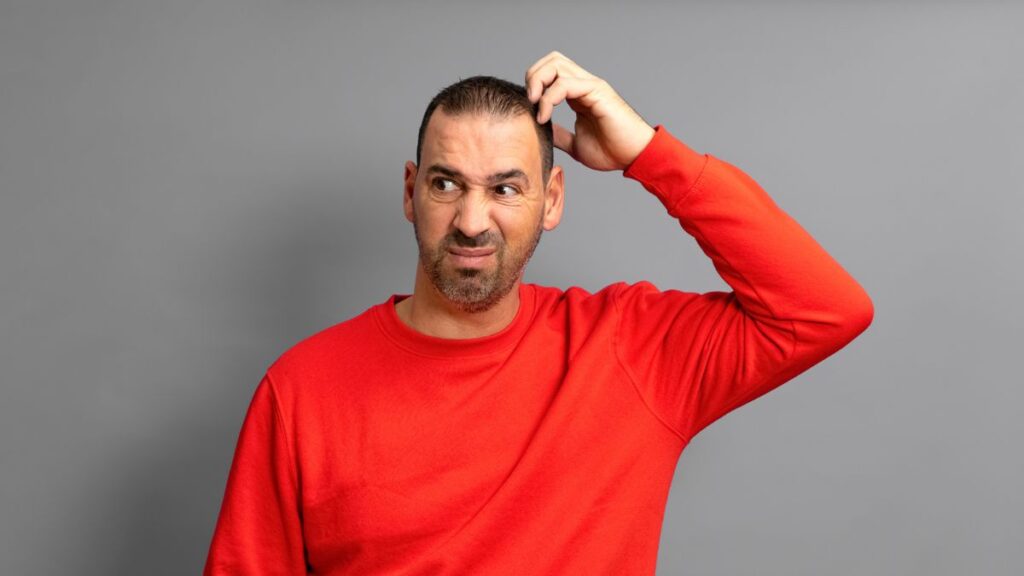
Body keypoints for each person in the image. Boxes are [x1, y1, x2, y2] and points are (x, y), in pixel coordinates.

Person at [203, 51, 873, 575]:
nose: (471, 221)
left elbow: (825, 308)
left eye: (505, 189)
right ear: (410, 193)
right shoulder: (301, 390)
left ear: (552, 200)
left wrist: (648, 152)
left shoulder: (629, 351)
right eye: (446, 185)